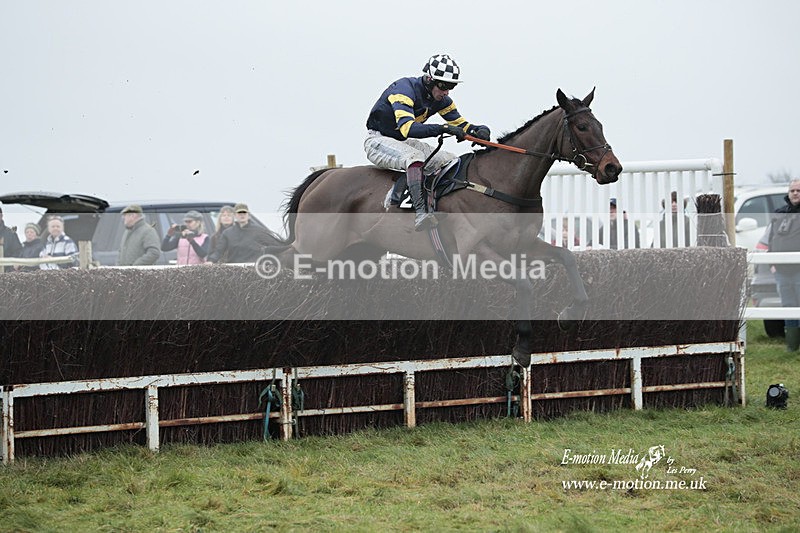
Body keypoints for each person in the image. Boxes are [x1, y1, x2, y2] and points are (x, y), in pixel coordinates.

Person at [364, 53, 491, 231]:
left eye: (451, 87)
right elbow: (407, 129)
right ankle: (420, 212)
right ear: (430, 79)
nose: (446, 91)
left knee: (450, 160)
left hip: (403, 141)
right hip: (378, 140)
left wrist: (478, 130)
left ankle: (439, 202)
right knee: (415, 157)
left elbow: (460, 124)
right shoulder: (403, 90)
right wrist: (442, 129)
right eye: (444, 86)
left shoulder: (442, 100)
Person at [767, 179, 800, 351]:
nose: (795, 193)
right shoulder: (779, 214)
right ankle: (792, 346)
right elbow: (771, 239)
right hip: (781, 271)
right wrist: (772, 263)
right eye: (792, 190)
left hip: (798, 270)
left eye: (798, 190)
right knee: (788, 307)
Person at [207, 203, 282, 263]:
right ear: (235, 216)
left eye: (244, 213)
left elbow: (275, 245)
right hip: (234, 269)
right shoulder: (227, 233)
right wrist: (211, 261)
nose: (242, 215)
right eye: (239, 213)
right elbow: (218, 251)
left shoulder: (259, 231)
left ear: (248, 215)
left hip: (254, 268)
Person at [0, 206, 23, 272]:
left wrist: (9, 270)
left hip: (5, 272)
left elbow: (18, 252)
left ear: (1, 216)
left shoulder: (10, 234)